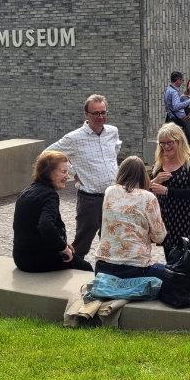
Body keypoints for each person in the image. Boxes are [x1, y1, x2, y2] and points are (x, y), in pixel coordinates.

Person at [46, 94, 121, 262]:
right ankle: (71, 268)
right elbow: (48, 155)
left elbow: (114, 152)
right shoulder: (74, 138)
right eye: (96, 113)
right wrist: (73, 172)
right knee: (82, 243)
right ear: (86, 114)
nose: (101, 117)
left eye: (103, 112)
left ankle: (108, 271)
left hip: (113, 196)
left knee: (111, 240)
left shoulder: (112, 132)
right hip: (90, 200)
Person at [12, 150, 93, 272]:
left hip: (21, 257)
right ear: (48, 172)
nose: (67, 176)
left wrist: (62, 244)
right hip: (35, 260)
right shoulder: (49, 195)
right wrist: (63, 247)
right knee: (86, 268)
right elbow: (45, 226)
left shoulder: (28, 191)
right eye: (63, 172)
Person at [94, 156, 169, 280]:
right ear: (143, 175)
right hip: (136, 267)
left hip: (103, 266)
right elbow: (159, 237)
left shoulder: (109, 191)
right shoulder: (148, 197)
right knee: (173, 276)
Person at [149, 122, 190, 261]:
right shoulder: (159, 162)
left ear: (179, 141)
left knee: (187, 261)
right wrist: (155, 181)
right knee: (171, 261)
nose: (166, 146)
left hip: (186, 218)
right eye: (162, 143)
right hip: (167, 219)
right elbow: (147, 188)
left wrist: (167, 190)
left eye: (170, 142)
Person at [163, 70, 190, 137]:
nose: (182, 82)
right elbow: (176, 106)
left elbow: (170, 106)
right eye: (182, 80)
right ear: (178, 80)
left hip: (170, 118)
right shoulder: (174, 92)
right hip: (176, 121)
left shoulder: (167, 89)